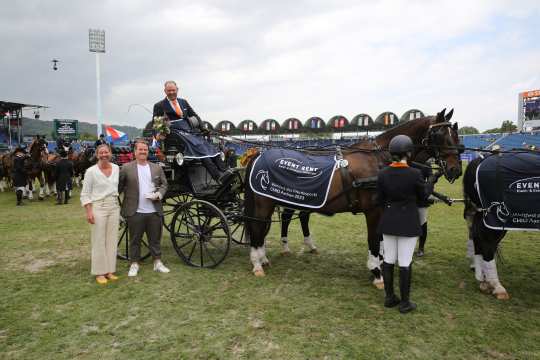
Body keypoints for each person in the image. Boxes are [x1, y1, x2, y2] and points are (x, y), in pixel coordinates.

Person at [377, 135, 437, 314]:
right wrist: (431, 182)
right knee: (404, 262)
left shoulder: (383, 173)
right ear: (408, 153)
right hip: (408, 223)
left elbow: (379, 199)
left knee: (388, 259)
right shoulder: (415, 174)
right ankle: (404, 303)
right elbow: (423, 197)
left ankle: (389, 297)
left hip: (388, 221)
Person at [152, 80, 231, 183]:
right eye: (169, 90)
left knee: (210, 147)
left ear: (177, 90)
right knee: (200, 149)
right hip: (176, 134)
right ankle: (217, 176)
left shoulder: (183, 102)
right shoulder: (160, 105)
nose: (171, 92)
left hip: (189, 132)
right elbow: (155, 124)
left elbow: (194, 115)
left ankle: (225, 171)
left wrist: (203, 128)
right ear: (165, 91)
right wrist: (158, 135)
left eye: (173, 90)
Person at [119, 140, 169, 277]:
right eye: (140, 150)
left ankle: (157, 262)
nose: (143, 152)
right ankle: (134, 263)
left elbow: (164, 184)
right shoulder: (126, 168)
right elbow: (118, 188)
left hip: (153, 210)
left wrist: (159, 194)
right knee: (135, 240)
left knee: (155, 239)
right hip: (135, 211)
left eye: (145, 150)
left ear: (148, 151)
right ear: (135, 151)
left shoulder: (156, 168)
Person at [80, 144, 120, 284]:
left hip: (114, 207)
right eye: (101, 153)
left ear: (110, 153)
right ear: (97, 155)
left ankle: (109, 270)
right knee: (98, 240)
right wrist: (89, 211)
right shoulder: (91, 171)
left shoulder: (116, 168)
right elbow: (85, 194)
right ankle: (99, 272)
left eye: (106, 152)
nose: (104, 155)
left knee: (111, 239)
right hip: (98, 207)